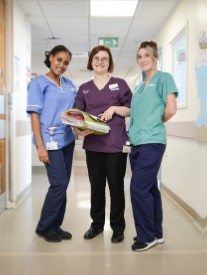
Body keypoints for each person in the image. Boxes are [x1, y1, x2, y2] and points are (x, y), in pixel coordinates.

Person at [74, 45, 132, 243]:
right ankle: (97, 225)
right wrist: (80, 128)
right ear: (91, 61)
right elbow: (77, 116)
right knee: (96, 187)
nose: (100, 61)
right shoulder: (84, 89)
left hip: (115, 145)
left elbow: (130, 109)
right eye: (96, 58)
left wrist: (115, 108)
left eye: (104, 59)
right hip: (93, 146)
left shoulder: (120, 84)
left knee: (116, 187)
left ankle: (117, 227)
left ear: (110, 62)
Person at [128, 41, 178, 252]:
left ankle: (146, 236)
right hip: (137, 143)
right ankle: (156, 233)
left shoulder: (164, 78)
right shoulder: (138, 87)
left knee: (137, 188)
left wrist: (156, 123)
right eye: (139, 56)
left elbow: (172, 109)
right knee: (149, 188)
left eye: (146, 55)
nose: (142, 59)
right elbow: (135, 114)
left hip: (153, 142)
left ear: (155, 56)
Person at [26, 45, 77, 243]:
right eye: (59, 60)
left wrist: (81, 127)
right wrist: (40, 145)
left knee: (62, 185)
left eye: (66, 62)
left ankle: (56, 226)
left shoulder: (70, 84)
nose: (62, 65)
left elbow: (74, 113)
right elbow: (34, 115)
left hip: (67, 140)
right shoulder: (39, 83)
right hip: (49, 140)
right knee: (59, 183)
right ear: (51, 58)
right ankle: (44, 227)